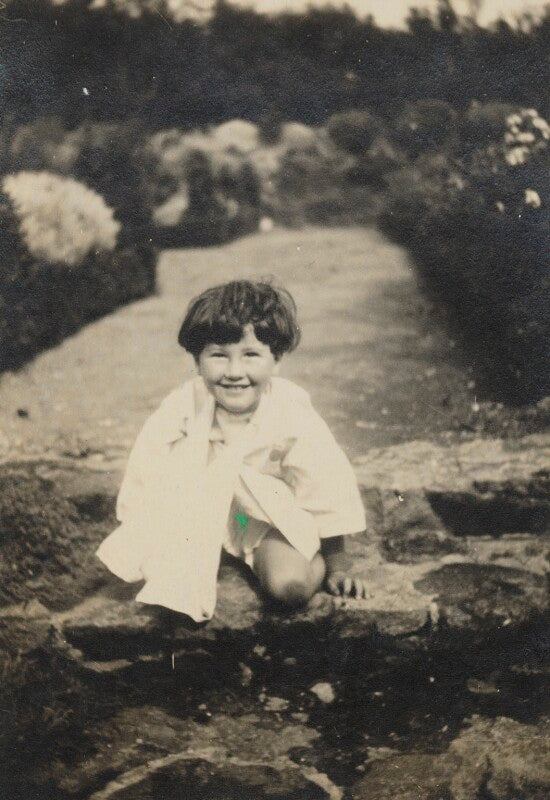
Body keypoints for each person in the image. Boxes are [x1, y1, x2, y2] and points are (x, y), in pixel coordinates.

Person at [96, 280, 367, 622]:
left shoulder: (289, 409)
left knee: (289, 587)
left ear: (276, 361)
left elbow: (324, 479)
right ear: (198, 361)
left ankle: (312, 562)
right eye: (219, 355)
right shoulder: (183, 405)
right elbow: (146, 465)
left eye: (251, 355)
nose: (234, 373)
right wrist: (143, 527)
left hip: (260, 518)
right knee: (166, 581)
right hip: (198, 513)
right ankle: (211, 554)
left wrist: (338, 561)